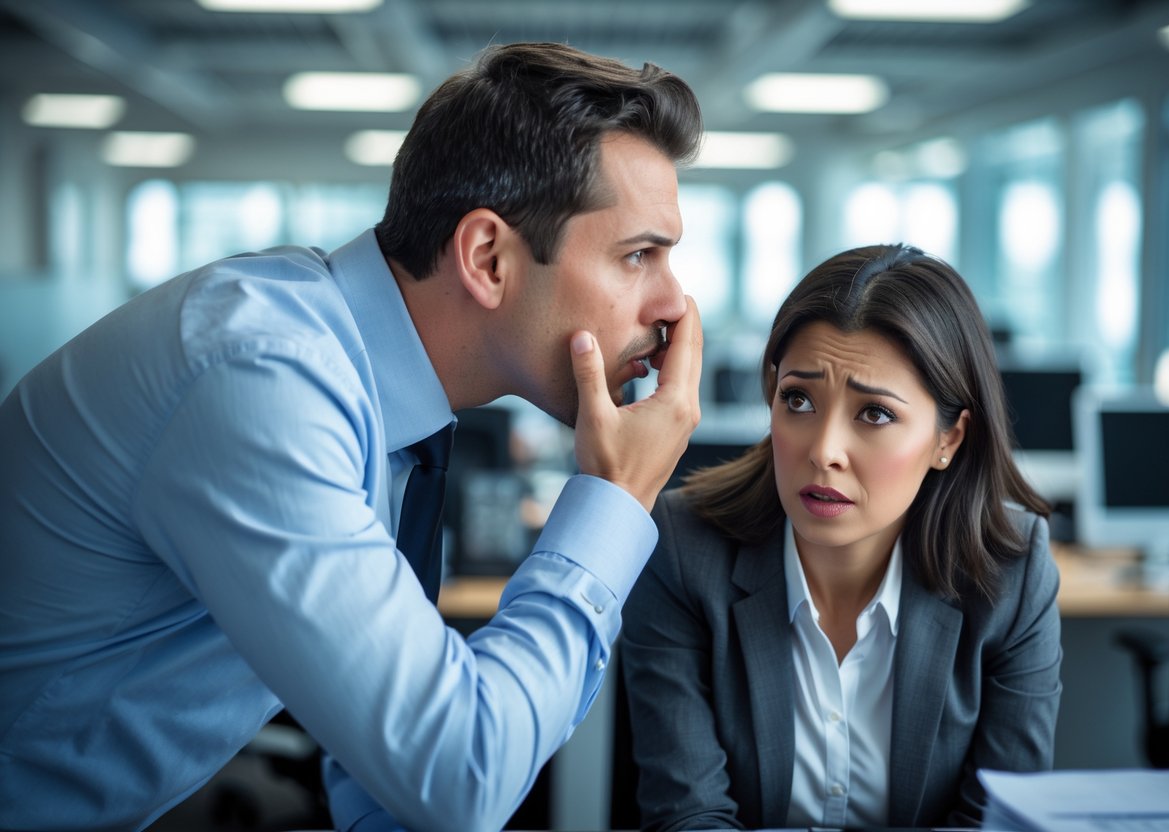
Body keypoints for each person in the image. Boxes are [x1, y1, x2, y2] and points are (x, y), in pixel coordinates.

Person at [0, 42, 704, 831]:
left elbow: (386, 772)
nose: (673, 305)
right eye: (638, 256)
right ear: (486, 257)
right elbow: (458, 776)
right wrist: (613, 499)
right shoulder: (264, 379)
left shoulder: (361, 384)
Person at [620, 244, 1061, 831]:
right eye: (798, 399)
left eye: (874, 413)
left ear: (947, 440)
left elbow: (999, 823)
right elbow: (689, 818)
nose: (823, 450)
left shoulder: (1012, 572)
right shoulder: (680, 549)